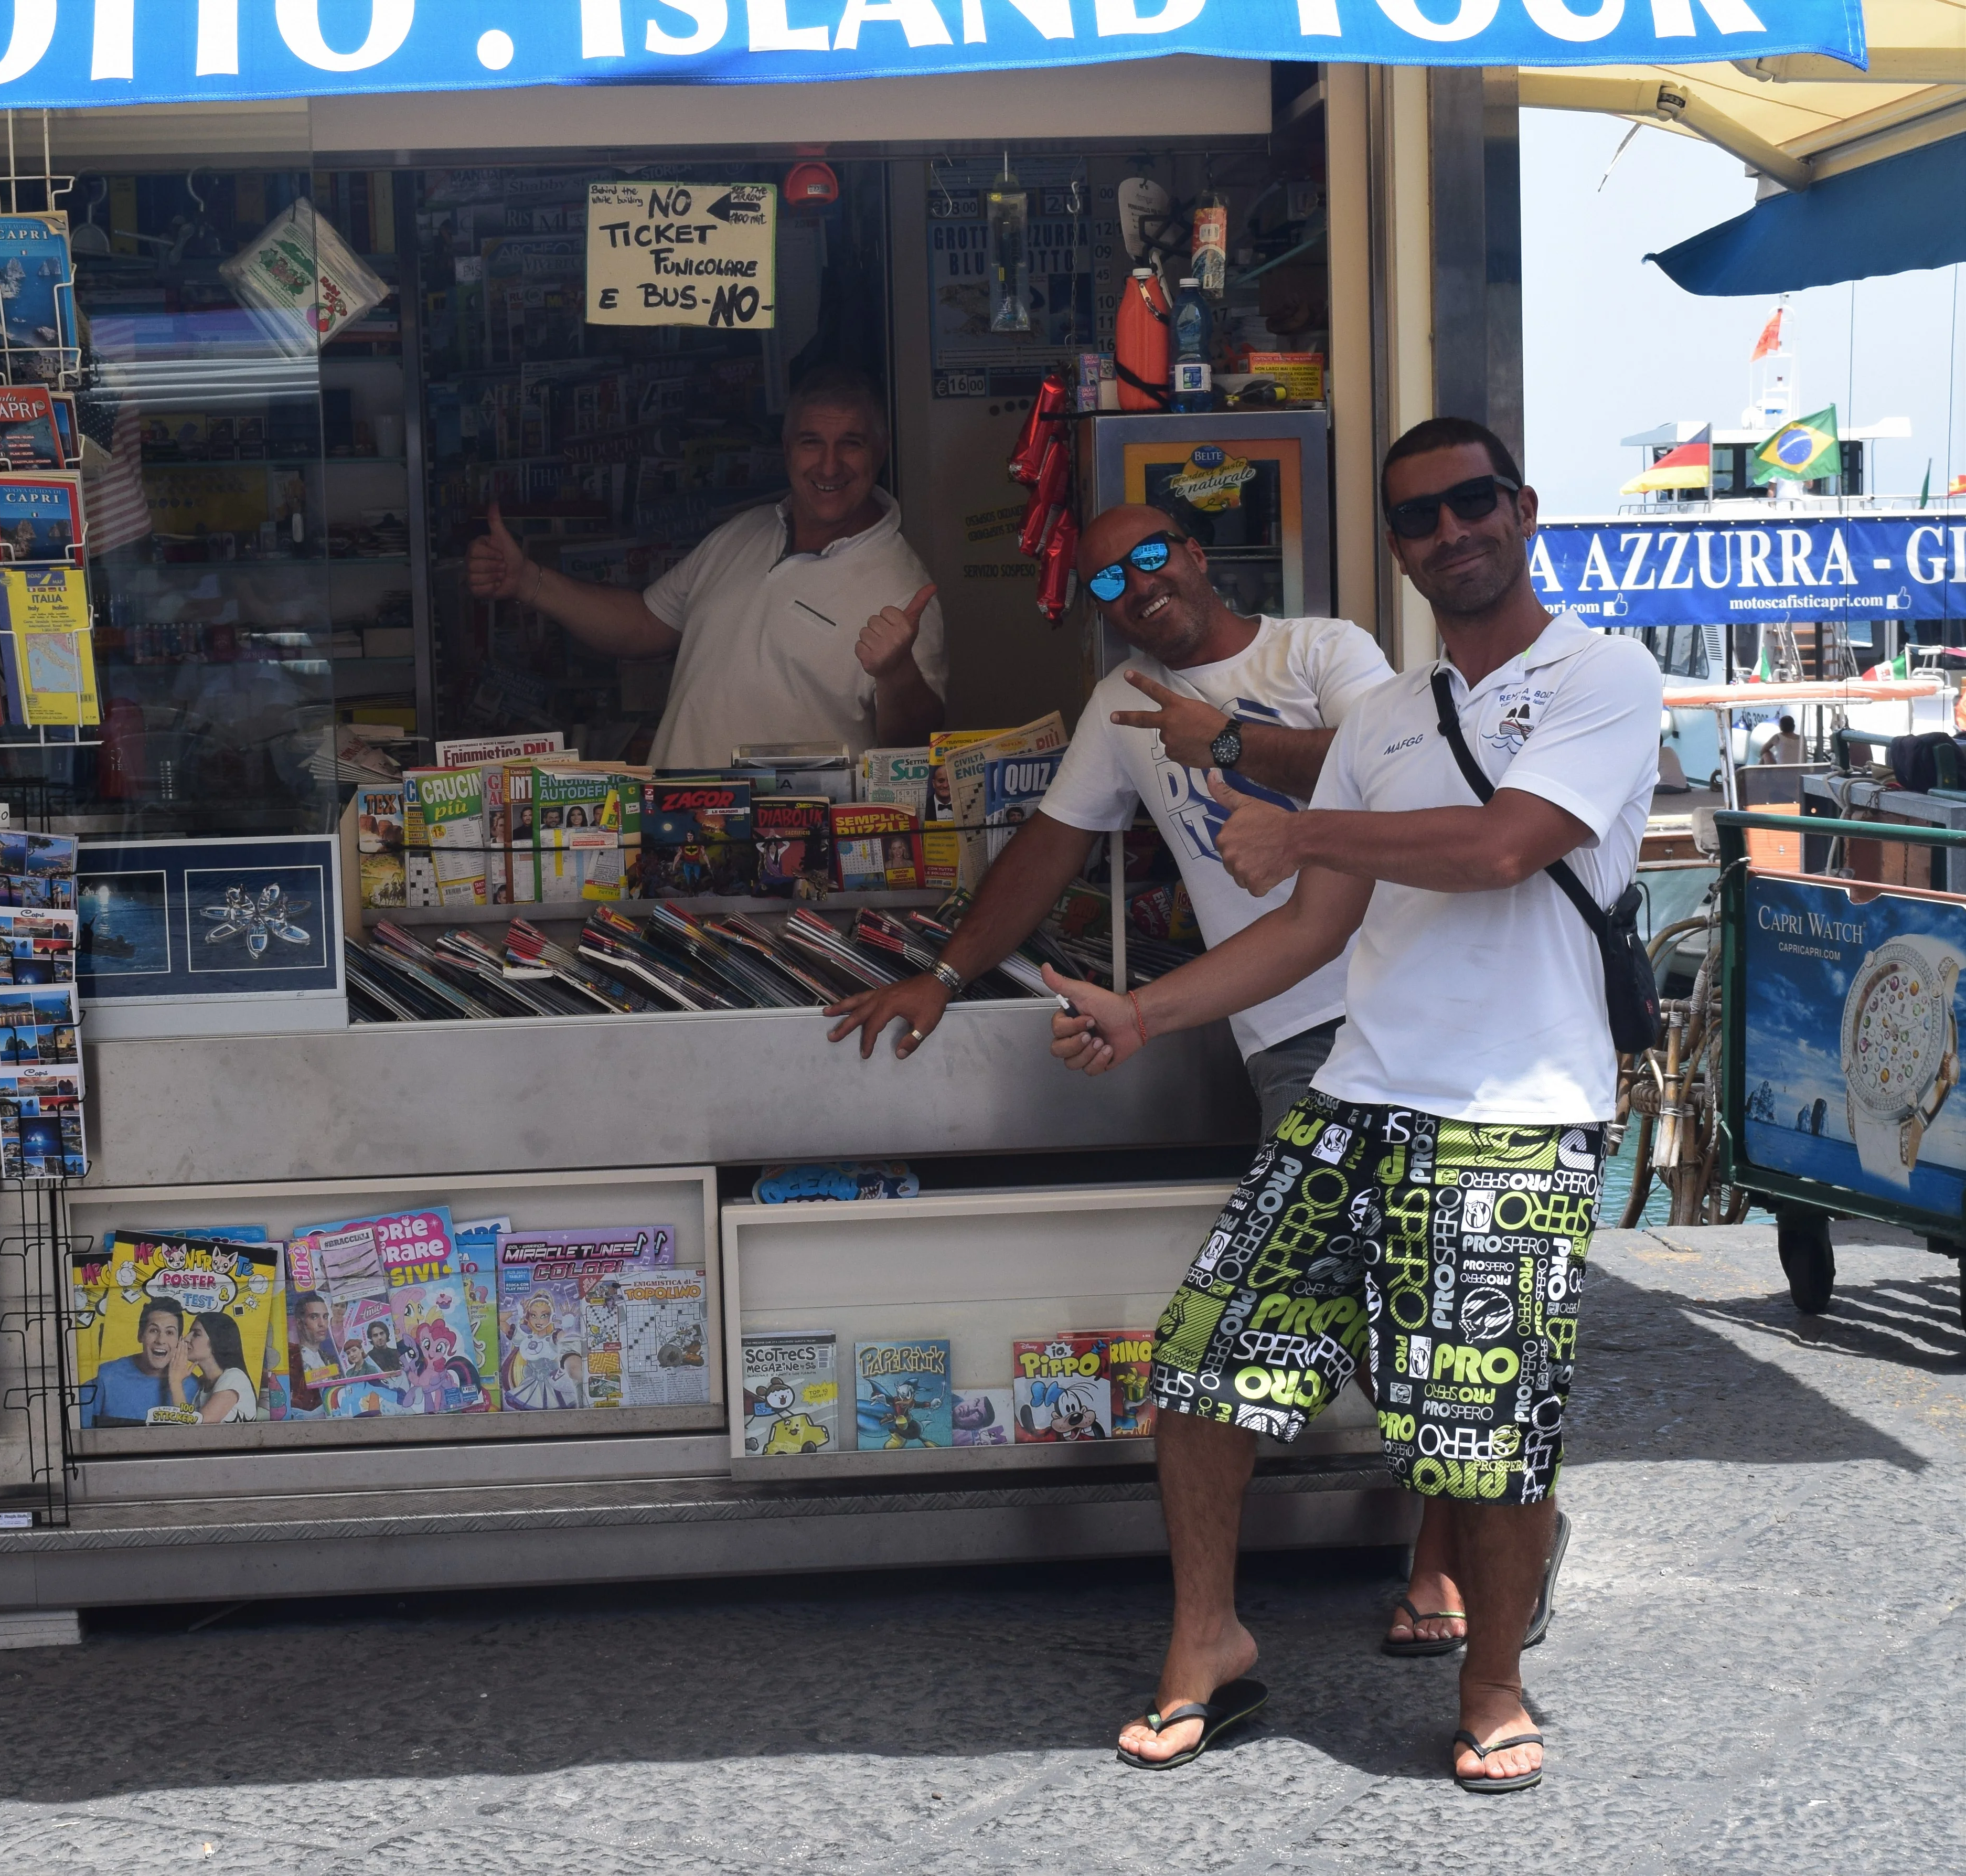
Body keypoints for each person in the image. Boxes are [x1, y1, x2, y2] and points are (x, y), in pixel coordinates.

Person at [1053, 418, 1660, 1794]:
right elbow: (1315, 931)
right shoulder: (1381, 720)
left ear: (1523, 507)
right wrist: (1145, 1012)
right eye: (1419, 519)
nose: (1450, 533)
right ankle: (1207, 1638)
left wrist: (1304, 817)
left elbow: (1507, 845)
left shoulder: (1605, 673)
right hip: (1356, 1095)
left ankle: (1494, 1683)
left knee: (1483, 1419)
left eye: (1472, 503)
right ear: (1396, 547)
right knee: (1203, 1361)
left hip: (1516, 1107)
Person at [824, 501, 1476, 1654]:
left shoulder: (1319, 650)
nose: (1132, 585)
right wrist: (943, 970)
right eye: (1104, 581)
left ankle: (1454, 1551)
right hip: (1289, 1035)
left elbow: (1387, 766)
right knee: (1373, 1306)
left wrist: (1228, 742)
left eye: (1147, 556)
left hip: (1413, 1007)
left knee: (1412, 1295)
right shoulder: (1119, 705)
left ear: (1194, 552)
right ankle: (1461, 1536)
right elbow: (1050, 848)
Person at [466, 363, 947, 768]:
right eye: (810, 442)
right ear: (786, 449)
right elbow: (643, 625)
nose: (827, 465)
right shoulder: (743, 533)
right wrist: (528, 581)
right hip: (678, 837)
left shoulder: (902, 588)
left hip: (797, 857)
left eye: (851, 443)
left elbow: (913, 747)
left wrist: (897, 672)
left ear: (879, 453)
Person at [86, 1296, 189, 1426]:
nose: (161, 1340)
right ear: (141, 1335)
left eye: (169, 1332)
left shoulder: (193, 1385)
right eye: (154, 1330)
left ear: (180, 1341)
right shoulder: (105, 1376)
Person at [183, 1310, 256, 1424]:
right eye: (190, 1332)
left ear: (217, 1342)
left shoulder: (234, 1377)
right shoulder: (203, 1385)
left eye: (196, 1334)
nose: (186, 1338)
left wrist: (175, 1381)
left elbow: (195, 1429)